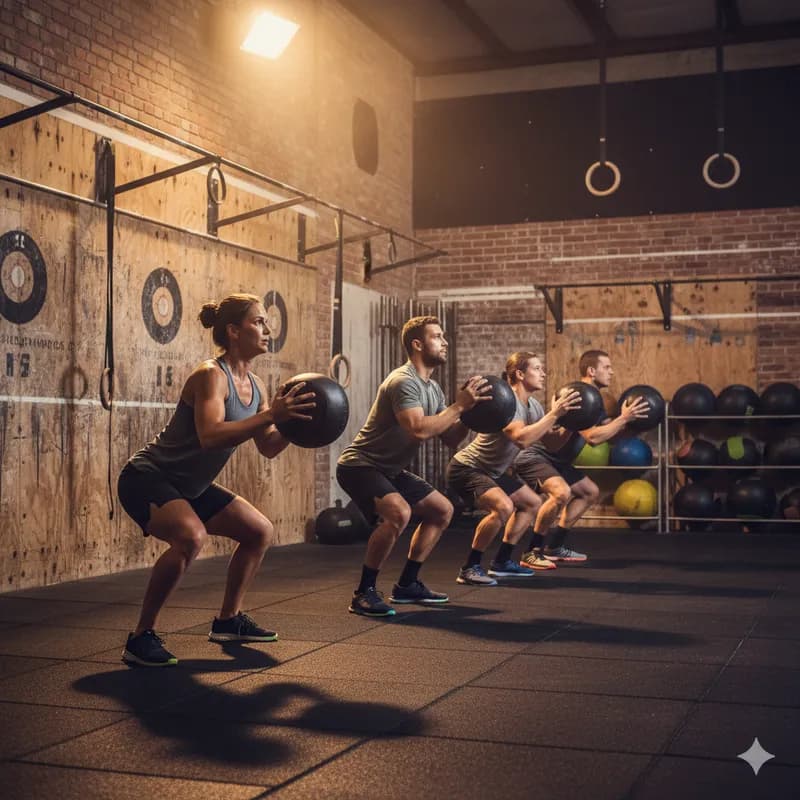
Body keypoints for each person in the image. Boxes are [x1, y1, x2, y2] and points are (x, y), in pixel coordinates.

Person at [117, 293, 315, 667]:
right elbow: (210, 435)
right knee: (190, 537)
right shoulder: (211, 375)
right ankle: (141, 636)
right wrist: (272, 414)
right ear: (234, 331)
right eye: (258, 321)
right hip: (147, 477)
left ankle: (228, 621)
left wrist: (296, 425)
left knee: (259, 531)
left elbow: (268, 446)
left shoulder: (255, 385)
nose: (267, 329)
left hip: (189, 486)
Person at [336, 315, 489, 616]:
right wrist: (459, 406)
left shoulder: (433, 389)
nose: (445, 342)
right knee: (398, 513)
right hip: (360, 465)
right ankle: (363, 593)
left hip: (389, 470)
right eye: (437, 336)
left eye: (444, 336)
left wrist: (472, 415)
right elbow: (417, 429)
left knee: (442, 510)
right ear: (417, 344)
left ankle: (407, 584)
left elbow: (449, 438)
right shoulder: (403, 381)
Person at [446, 351, 580, 585]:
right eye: (537, 368)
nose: (543, 373)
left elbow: (553, 444)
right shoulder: (508, 403)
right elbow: (521, 439)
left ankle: (502, 562)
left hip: (492, 472)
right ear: (519, 374)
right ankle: (470, 568)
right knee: (503, 507)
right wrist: (554, 414)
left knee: (532, 503)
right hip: (468, 467)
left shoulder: (534, 406)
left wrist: (570, 423)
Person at [515, 349, 649, 565]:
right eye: (607, 367)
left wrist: (631, 421)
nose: (611, 372)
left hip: (560, 460)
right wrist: (624, 419)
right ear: (591, 371)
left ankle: (554, 547)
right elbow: (592, 437)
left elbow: (605, 430)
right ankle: (532, 551)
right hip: (541, 455)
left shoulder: (594, 399)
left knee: (589, 492)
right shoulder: (580, 395)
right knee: (560, 494)